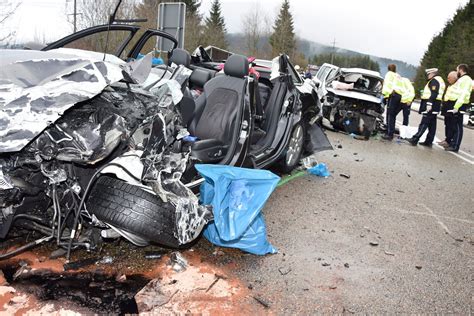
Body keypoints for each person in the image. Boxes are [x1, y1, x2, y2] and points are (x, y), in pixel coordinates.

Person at [408, 68, 446, 147]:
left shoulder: (434, 81)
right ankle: (429, 141)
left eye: (429, 74)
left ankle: (415, 139)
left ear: (433, 73)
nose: (428, 76)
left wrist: (429, 104)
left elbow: (434, 93)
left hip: (431, 105)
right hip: (436, 105)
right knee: (432, 125)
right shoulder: (440, 80)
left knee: (424, 123)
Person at [445, 64, 473, 152]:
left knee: (457, 126)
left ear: (460, 70)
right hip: (458, 104)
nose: (456, 71)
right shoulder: (462, 79)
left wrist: (456, 107)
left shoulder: (466, 79)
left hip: (460, 105)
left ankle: (455, 146)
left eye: (457, 70)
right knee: (454, 125)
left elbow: (463, 94)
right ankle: (453, 143)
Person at [382, 64, 403, 140]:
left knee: (390, 115)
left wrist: (386, 96)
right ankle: (391, 131)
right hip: (399, 96)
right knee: (393, 115)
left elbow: (387, 86)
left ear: (388, 69)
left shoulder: (389, 74)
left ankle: (389, 134)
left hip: (393, 95)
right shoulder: (398, 75)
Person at [437, 71, 459, 148]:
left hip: (452, 106)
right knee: (447, 124)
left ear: (454, 78)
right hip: (447, 105)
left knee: (451, 125)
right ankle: (447, 139)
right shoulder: (450, 85)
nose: (448, 79)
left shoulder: (457, 85)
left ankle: (449, 141)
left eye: (449, 77)